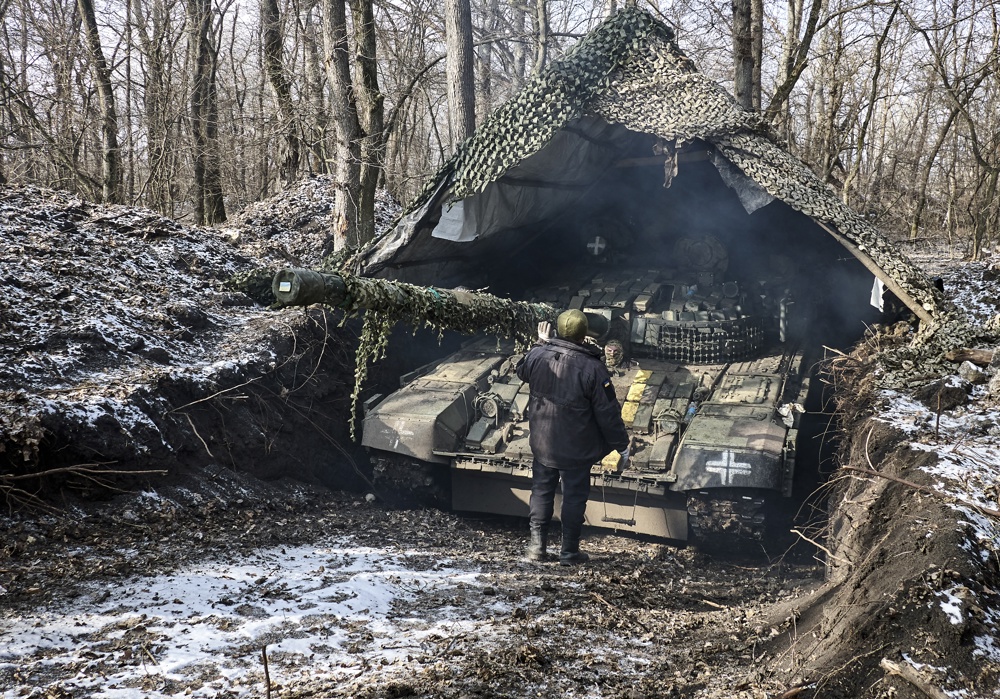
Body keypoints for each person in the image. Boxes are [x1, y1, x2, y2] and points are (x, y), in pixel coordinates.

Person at [515, 309, 630, 565]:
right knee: (574, 497)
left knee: (541, 492)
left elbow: (521, 370)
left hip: (543, 443)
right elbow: (608, 413)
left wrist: (540, 343)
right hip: (576, 448)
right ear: (584, 335)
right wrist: (622, 446)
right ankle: (568, 552)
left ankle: (536, 549)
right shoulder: (593, 368)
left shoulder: (538, 354)